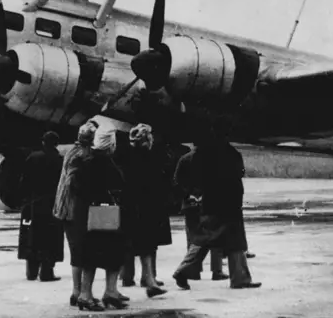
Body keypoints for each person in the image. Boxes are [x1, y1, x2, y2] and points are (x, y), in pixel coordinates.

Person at [179, 128, 260, 290]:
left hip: (213, 202)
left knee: (208, 239)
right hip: (229, 203)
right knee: (230, 241)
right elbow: (240, 172)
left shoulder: (205, 155)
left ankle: (186, 270)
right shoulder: (229, 153)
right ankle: (238, 278)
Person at [71, 124, 127, 311]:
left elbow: (74, 187)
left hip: (86, 213)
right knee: (115, 251)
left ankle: (85, 293)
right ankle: (109, 291)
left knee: (89, 254)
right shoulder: (107, 162)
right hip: (105, 213)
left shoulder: (83, 160)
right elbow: (120, 184)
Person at [116, 124, 169, 298]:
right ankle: (149, 280)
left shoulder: (125, 156)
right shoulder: (151, 158)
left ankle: (127, 277)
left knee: (128, 244)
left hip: (129, 206)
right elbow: (158, 182)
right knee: (148, 245)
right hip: (147, 207)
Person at [53, 120, 97, 307]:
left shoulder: (71, 151)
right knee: (86, 252)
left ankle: (76, 291)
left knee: (75, 252)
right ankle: (82, 292)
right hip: (77, 210)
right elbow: (73, 181)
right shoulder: (84, 156)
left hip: (63, 208)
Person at [172, 144, 227, 289]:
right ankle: (217, 270)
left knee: (192, 236)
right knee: (214, 235)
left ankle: (193, 271)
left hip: (189, 203)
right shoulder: (212, 159)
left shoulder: (184, 159)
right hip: (208, 203)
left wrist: (188, 194)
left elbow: (177, 181)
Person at [18, 131, 64, 281]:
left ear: (43, 142)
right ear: (56, 144)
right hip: (52, 203)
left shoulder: (33, 157)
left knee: (31, 236)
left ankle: (31, 272)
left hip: (33, 203)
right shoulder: (59, 160)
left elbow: (23, 181)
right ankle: (46, 272)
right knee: (50, 238)